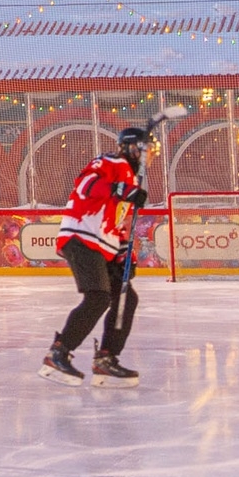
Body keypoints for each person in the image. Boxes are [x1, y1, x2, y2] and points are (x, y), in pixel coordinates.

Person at [44, 124, 154, 386]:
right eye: (147, 149)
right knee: (98, 298)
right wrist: (120, 190)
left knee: (125, 298)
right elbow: (85, 185)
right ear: (133, 148)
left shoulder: (131, 179)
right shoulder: (109, 161)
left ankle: (106, 358)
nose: (150, 155)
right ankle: (58, 353)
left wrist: (124, 254)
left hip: (103, 245)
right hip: (81, 236)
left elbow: (117, 221)